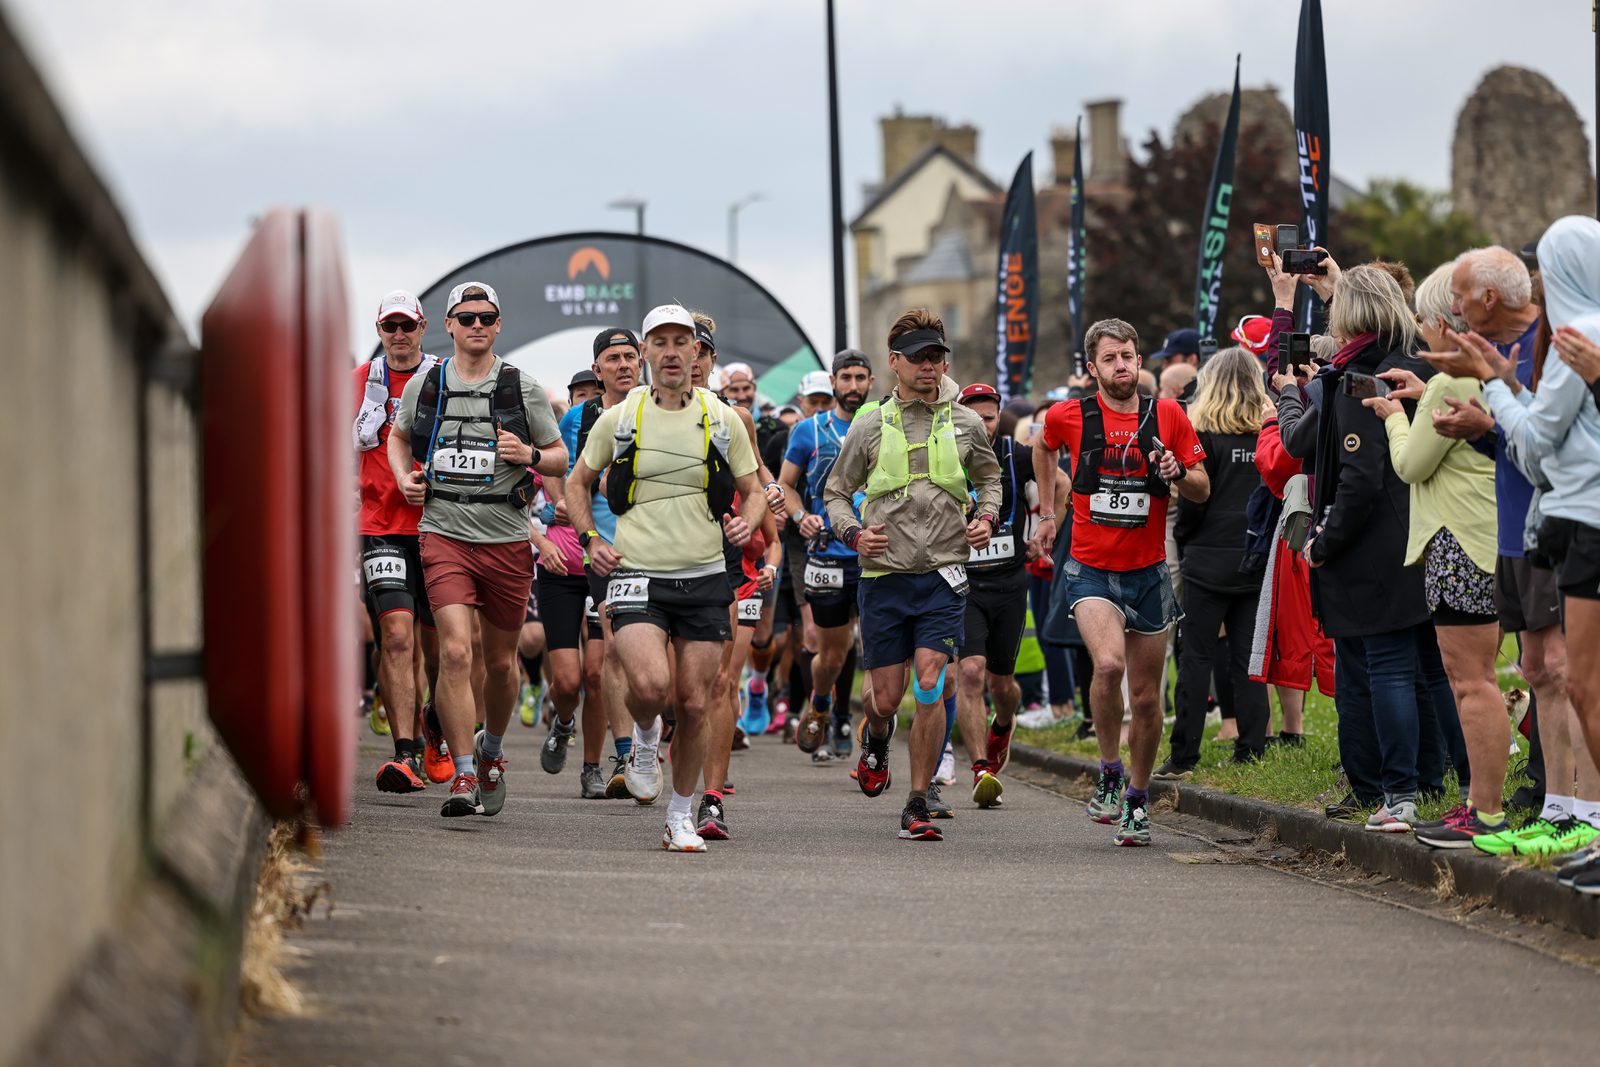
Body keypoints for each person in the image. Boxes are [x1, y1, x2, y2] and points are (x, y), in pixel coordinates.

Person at [1428, 218, 1600, 886]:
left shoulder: (1571, 337)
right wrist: (1499, 379)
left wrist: (1493, 391)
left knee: (1576, 678)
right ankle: (1566, 807)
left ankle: (1582, 812)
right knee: (1554, 672)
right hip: (1555, 518)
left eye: (1545, 267)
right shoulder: (1569, 338)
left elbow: (1535, 443)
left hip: (1576, 516)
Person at [564, 304, 767, 852]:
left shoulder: (723, 419)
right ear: (648, 352)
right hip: (635, 573)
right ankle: (646, 738)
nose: (673, 351)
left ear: (698, 353)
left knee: (696, 702)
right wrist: (591, 541)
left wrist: (746, 522)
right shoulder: (620, 418)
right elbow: (577, 484)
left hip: (703, 575)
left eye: (684, 342)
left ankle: (680, 814)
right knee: (651, 688)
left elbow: (753, 488)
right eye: (662, 342)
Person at [389, 282, 567, 818]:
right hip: (443, 531)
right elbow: (398, 438)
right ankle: (464, 774)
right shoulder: (427, 384)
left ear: (498, 324)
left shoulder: (522, 387)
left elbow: (560, 459)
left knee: (500, 663)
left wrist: (530, 452)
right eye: (465, 318)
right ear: (448, 325)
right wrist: (403, 479)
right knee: (455, 652)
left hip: (506, 539)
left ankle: (491, 750)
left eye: (486, 317)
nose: (476, 326)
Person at [824, 310, 1001, 842]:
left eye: (938, 356)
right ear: (894, 363)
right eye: (920, 357)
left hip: (944, 574)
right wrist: (854, 534)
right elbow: (835, 491)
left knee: (931, 682)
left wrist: (987, 517)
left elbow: (990, 481)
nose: (931, 366)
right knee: (884, 697)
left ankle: (917, 802)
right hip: (883, 577)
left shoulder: (967, 422)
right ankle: (876, 738)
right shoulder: (868, 424)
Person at [1032, 318, 1210, 847]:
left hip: (1148, 571)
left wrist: (1177, 472)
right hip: (1089, 569)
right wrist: (1048, 510)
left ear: (1140, 361)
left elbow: (1202, 488)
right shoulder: (1070, 415)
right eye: (1110, 358)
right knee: (1107, 664)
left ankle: (1136, 795)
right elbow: (1043, 447)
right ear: (1093, 368)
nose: (1121, 366)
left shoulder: (1169, 414)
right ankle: (1108, 768)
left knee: (1148, 698)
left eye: (1128, 356)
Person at [1360, 263, 1506, 847]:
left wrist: (1397, 418)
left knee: (1470, 682)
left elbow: (1411, 465)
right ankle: (1481, 802)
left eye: (1423, 318)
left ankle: (1482, 808)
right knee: (1476, 678)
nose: (1418, 330)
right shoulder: (1481, 372)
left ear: (1445, 323)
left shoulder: (1449, 381)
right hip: (1486, 536)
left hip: (1456, 543)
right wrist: (1423, 399)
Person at [1303, 264, 1451, 834]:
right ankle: (1441, 780)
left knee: (1387, 668)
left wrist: (1324, 540)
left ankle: (1399, 792)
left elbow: (1359, 476)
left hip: (1373, 545)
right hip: (1423, 533)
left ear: (1349, 314)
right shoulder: (1420, 361)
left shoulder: (1359, 374)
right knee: (1428, 668)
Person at [1154, 348, 1271, 778]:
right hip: (1254, 555)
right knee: (1247, 656)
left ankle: (1184, 753)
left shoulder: (1202, 434)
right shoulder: (1268, 434)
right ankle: (1251, 746)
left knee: (1196, 655)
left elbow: (1192, 502)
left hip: (1206, 556)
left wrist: (1185, 540)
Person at [354, 290, 442, 792]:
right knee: (396, 638)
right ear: (379, 330)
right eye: (391, 327)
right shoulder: (360, 383)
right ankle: (404, 755)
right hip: (381, 527)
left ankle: (436, 724)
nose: (400, 335)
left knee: (440, 649)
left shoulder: (444, 377)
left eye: (407, 325)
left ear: (423, 326)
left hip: (439, 528)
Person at [781, 350, 875, 761]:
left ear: (871, 381)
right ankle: (821, 703)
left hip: (879, 556)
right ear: (833, 382)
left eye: (860, 378)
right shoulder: (808, 431)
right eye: (846, 378)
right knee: (832, 654)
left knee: (879, 654)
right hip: (828, 556)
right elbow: (785, 485)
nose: (853, 386)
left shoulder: (884, 424)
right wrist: (801, 515)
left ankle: (872, 738)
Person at [952, 383, 1037, 809]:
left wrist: (1046, 523)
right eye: (972, 416)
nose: (980, 425)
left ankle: (1003, 722)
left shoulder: (1016, 456)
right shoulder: (945, 455)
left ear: (998, 417)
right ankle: (980, 768)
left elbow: (1056, 478)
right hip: (964, 585)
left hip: (1008, 583)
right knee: (970, 672)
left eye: (988, 417)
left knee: (1003, 685)